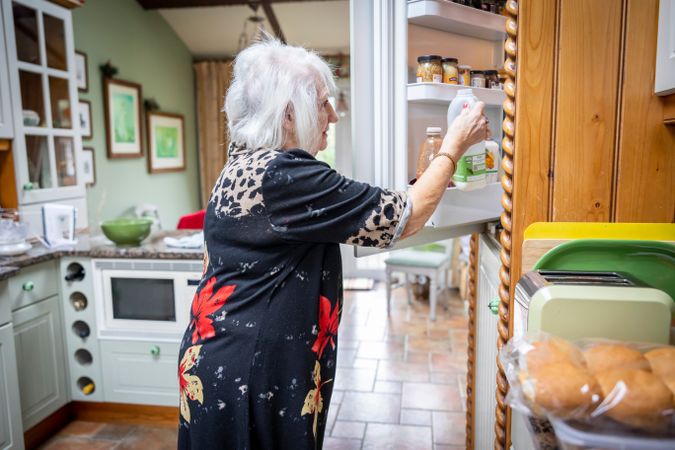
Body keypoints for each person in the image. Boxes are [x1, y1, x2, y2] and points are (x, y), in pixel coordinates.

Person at [177, 38, 489, 450]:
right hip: (252, 371)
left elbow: (364, 209)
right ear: (289, 114)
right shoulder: (286, 175)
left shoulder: (246, 162)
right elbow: (403, 217)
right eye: (323, 103)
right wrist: (454, 146)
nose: (333, 115)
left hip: (219, 356)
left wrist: (422, 184)